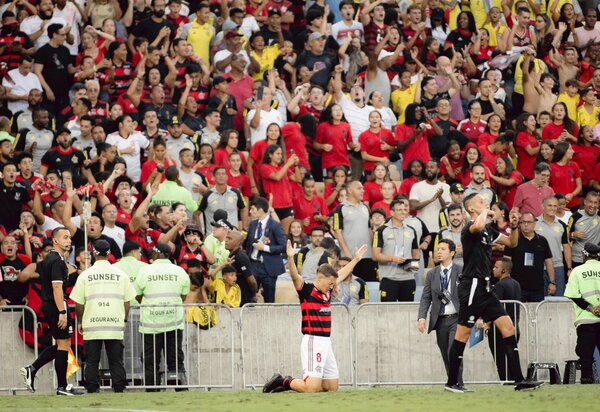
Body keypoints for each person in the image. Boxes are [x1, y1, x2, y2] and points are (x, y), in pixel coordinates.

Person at [445, 193, 542, 393]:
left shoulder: (488, 229)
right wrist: (484, 213)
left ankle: (519, 380)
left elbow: (512, 243)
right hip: (471, 285)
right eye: (480, 202)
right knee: (462, 334)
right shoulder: (470, 228)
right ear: (471, 209)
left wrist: (514, 227)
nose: (485, 203)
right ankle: (452, 383)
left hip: (487, 287)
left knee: (508, 329)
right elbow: (478, 226)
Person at [262, 240, 367, 393]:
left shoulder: (328, 290)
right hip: (313, 340)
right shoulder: (307, 290)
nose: (333, 286)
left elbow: (342, 274)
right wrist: (290, 258)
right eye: (331, 283)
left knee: (331, 388)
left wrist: (356, 259)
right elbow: (294, 275)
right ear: (321, 278)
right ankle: (282, 380)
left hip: (326, 342)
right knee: (311, 388)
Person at [21, 227, 82, 395]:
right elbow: (56, 287)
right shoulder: (56, 260)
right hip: (56, 306)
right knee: (63, 344)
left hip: (53, 305)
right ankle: (61, 387)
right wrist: (62, 312)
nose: (69, 240)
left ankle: (33, 369)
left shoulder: (52, 259)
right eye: (64, 237)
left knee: (63, 345)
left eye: (69, 237)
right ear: (55, 241)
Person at [70, 239, 136, 393]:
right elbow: (128, 301)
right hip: (114, 323)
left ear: (94, 252)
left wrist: (80, 321)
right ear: (109, 254)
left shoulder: (85, 275)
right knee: (116, 360)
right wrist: (124, 319)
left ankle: (92, 387)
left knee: (92, 361)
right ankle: (119, 387)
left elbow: (79, 303)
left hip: (92, 324)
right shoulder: (121, 275)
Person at [134, 242, 190, 391]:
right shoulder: (179, 271)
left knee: (151, 360)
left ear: (156, 253)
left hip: (150, 324)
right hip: (173, 322)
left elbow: (138, 295)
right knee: (175, 359)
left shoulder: (145, 271)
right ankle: (179, 389)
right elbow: (184, 295)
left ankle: (152, 389)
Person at [418, 239, 463, 387]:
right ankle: (452, 383)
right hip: (440, 319)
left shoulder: (460, 270)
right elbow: (426, 297)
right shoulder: (432, 274)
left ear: (452, 252)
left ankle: (458, 383)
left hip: (457, 318)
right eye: (438, 249)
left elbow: (469, 295)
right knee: (445, 353)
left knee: (453, 351)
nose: (439, 252)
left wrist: (478, 316)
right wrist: (422, 317)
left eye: (443, 249)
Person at [564, 242, 600, 384]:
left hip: (586, 320)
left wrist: (592, 309)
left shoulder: (577, 271)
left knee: (586, 355)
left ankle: (586, 381)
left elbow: (573, 295)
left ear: (584, 255)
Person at [372, 199, 420, 301]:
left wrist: (412, 265)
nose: (403, 212)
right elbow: (375, 255)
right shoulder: (381, 230)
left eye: (405, 209)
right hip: (389, 278)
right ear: (392, 212)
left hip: (408, 278)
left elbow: (416, 252)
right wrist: (392, 258)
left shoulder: (411, 230)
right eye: (399, 210)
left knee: (407, 313)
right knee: (387, 312)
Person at [332, 181, 377, 282]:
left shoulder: (365, 207)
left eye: (362, 188)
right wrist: (347, 253)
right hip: (350, 256)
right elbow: (337, 232)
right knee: (351, 286)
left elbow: (369, 230)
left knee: (369, 286)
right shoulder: (340, 208)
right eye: (359, 188)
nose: (363, 190)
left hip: (367, 256)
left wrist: (373, 251)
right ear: (350, 190)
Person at [245, 197, 287, 303]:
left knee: (269, 298)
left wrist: (264, 247)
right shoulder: (253, 224)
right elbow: (248, 245)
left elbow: (283, 246)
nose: (250, 212)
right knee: (250, 296)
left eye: (252, 209)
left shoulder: (275, 226)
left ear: (260, 210)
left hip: (268, 267)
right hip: (253, 264)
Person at [488, 258, 522, 381]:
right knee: (512, 358)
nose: (493, 269)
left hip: (499, 330)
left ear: (503, 270)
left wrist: (487, 323)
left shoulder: (500, 285)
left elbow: (494, 307)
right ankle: (515, 380)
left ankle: (506, 381)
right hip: (514, 327)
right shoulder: (516, 284)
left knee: (501, 361)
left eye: (496, 267)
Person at [535, 196, 571, 297]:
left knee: (559, 299)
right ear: (543, 206)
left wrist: (569, 268)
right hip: (539, 267)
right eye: (549, 205)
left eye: (555, 206)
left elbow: (566, 247)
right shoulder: (534, 223)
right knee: (540, 299)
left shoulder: (562, 225)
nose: (552, 208)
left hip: (558, 267)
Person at [568, 191, 600, 269]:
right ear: (585, 202)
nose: (593, 205)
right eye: (590, 202)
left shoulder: (599, 215)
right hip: (578, 259)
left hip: (595, 259)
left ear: (598, 204)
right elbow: (564, 237)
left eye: (595, 203)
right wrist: (573, 234)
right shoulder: (575, 216)